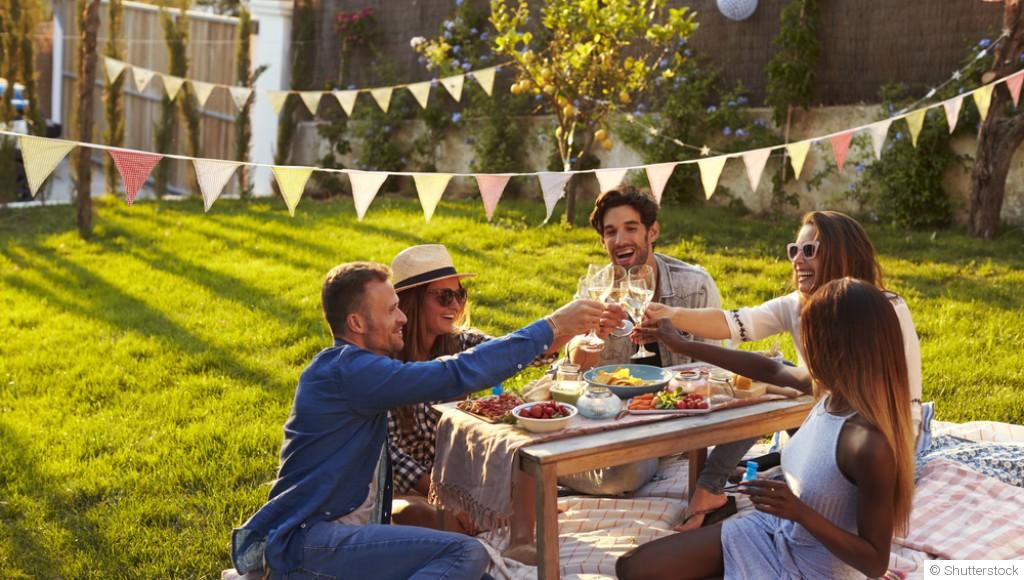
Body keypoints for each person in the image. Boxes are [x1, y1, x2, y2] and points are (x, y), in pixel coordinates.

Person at [230, 261, 622, 579]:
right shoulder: (346, 371)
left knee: (475, 572)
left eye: (399, 306)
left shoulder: (360, 368)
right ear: (356, 323)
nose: (400, 317)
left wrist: (569, 332)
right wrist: (553, 324)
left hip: (347, 533)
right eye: (390, 309)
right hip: (305, 541)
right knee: (466, 553)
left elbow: (488, 357)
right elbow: (454, 374)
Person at [617, 278, 916, 580]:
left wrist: (800, 512)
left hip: (812, 570)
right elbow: (769, 368)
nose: (804, 344)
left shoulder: (868, 443)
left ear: (841, 348)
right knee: (632, 568)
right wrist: (682, 343)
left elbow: (875, 562)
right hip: (773, 532)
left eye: (811, 335)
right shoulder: (831, 391)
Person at [643, 210, 922, 530]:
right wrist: (672, 318)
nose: (797, 260)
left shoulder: (883, 312)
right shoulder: (799, 304)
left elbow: (891, 406)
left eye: (809, 250)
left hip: (876, 437)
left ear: (842, 254)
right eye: (794, 250)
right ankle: (720, 483)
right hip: (824, 416)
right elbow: (735, 324)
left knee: (769, 380)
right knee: (761, 378)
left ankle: (714, 486)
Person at [386, 244, 564, 530]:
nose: (455, 306)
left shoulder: (459, 343)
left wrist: (568, 328)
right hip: (406, 490)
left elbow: (513, 352)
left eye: (459, 295)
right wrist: (443, 497)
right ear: (412, 301)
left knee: (524, 470)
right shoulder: (384, 363)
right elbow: (389, 456)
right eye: (444, 297)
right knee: (425, 516)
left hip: (458, 478)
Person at [568, 184, 722, 371]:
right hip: (615, 397)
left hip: (680, 395)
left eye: (631, 228)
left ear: (652, 232)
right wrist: (596, 337)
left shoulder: (696, 286)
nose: (620, 241)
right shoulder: (595, 290)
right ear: (603, 241)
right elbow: (575, 368)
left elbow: (714, 367)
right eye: (610, 232)